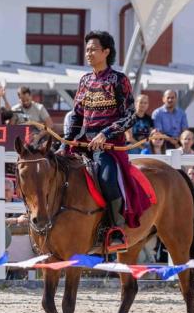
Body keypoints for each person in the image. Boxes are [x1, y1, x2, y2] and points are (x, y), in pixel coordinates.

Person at [63, 30, 148, 253]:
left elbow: (130, 115)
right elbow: (77, 115)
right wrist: (66, 142)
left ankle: (116, 229)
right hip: (84, 142)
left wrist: (106, 134)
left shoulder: (119, 80)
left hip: (109, 146)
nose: (88, 53)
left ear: (106, 52)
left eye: (93, 49)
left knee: (107, 178)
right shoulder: (84, 81)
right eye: (87, 49)